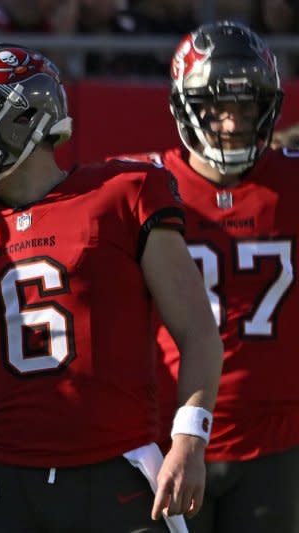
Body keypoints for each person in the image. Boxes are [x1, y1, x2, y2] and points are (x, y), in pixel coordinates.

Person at [0, 42, 223, 533]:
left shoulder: (124, 193)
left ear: (21, 115)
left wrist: (189, 438)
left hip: (115, 470)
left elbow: (198, 330)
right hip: (6, 486)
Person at [110, 20, 299, 532]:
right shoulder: (133, 185)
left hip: (275, 440)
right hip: (161, 440)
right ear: (185, 107)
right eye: (218, 108)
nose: (234, 125)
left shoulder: (290, 178)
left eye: (246, 108)